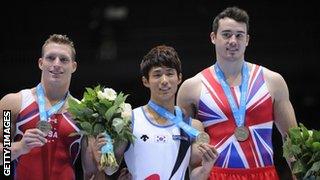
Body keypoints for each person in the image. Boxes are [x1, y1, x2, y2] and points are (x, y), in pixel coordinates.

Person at [177, 6, 297, 180]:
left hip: (264, 174)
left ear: (247, 40)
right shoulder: (192, 88)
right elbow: (183, 151)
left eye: (239, 35)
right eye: (226, 34)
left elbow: (291, 140)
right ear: (213, 37)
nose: (233, 41)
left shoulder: (273, 82)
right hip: (215, 175)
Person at [102, 45, 218, 180]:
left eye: (169, 74)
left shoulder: (194, 127)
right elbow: (109, 169)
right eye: (157, 75)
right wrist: (105, 147)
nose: (164, 81)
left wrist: (206, 167)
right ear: (146, 81)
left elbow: (194, 177)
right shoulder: (129, 120)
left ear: (179, 78)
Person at [0, 34, 98, 179]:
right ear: (40, 63)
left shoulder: (83, 113)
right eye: (51, 58)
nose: (57, 63)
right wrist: (20, 147)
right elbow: (4, 161)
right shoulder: (13, 103)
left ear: (73, 66)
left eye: (64, 59)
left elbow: (91, 173)